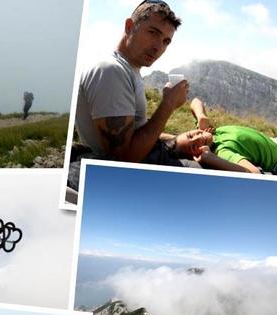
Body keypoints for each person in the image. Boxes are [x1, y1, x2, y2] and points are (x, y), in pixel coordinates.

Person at [69, 1, 195, 193]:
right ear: (129, 27)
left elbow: (135, 129)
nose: (158, 47)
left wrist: (175, 140)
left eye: (166, 41)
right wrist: (168, 105)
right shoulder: (110, 71)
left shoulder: (130, 69)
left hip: (154, 157)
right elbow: (122, 158)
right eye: (153, 33)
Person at [173, 97, 277, 174]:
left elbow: (195, 101)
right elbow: (254, 173)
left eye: (190, 135)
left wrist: (201, 116)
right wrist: (210, 158)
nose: (197, 138)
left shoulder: (208, 131)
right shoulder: (222, 152)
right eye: (194, 146)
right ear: (196, 156)